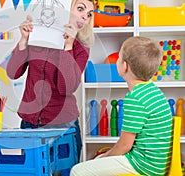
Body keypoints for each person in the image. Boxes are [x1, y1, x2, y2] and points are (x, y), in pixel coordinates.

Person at [6, 0, 95, 166]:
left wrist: (68, 47)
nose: (85, 16)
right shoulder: (38, 36)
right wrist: (23, 41)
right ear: (64, 8)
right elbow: (13, 72)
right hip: (30, 123)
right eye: (80, 9)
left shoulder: (81, 47)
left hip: (63, 125)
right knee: (33, 170)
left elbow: (67, 88)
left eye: (89, 14)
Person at [70, 36, 173, 176]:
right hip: (155, 164)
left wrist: (106, 156)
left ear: (124, 66)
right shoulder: (153, 91)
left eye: (118, 57)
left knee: (77, 171)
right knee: (99, 160)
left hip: (142, 165)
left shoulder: (135, 98)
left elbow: (125, 145)